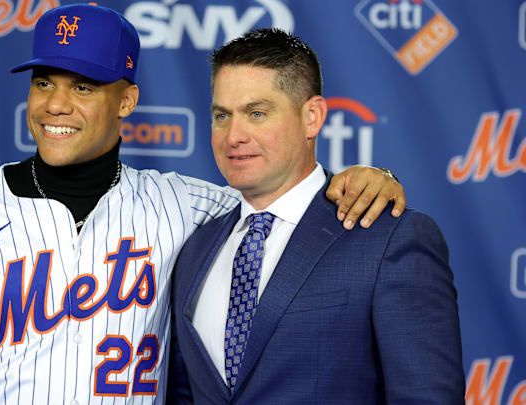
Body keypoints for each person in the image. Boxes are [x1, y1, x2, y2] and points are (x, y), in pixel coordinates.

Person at [0, 4, 407, 404]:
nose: (55, 103)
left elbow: (286, 196)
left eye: (83, 87)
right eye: (44, 81)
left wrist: (368, 178)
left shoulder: (189, 208)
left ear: (126, 100)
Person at [167, 28, 465, 404]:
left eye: (256, 113)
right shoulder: (195, 248)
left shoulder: (388, 238)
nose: (233, 136)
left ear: (312, 117)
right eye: (222, 115)